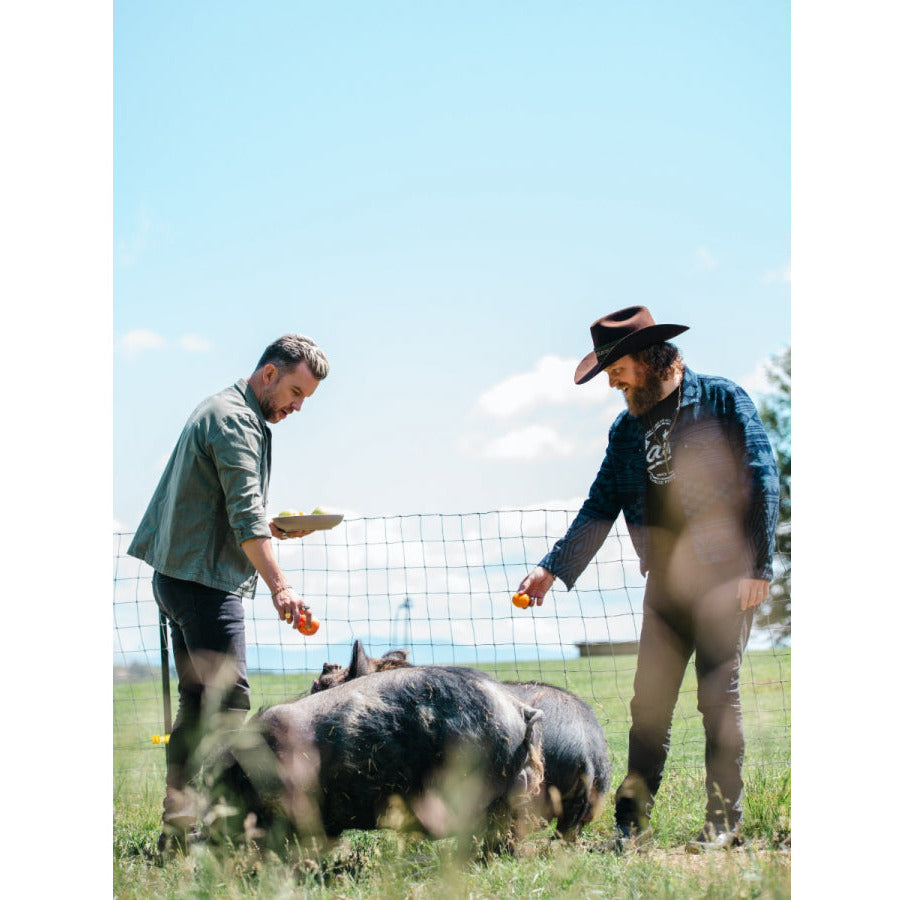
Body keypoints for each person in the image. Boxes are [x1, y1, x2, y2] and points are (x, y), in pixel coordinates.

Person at [517, 306, 778, 852]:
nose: (611, 380)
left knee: (717, 700)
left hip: (726, 577)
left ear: (651, 356)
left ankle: (723, 824)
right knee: (648, 707)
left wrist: (758, 565)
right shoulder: (626, 428)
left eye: (616, 367)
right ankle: (630, 825)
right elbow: (599, 506)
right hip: (667, 582)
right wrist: (552, 567)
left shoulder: (722, 401)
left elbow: (762, 476)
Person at [128, 333, 330, 851]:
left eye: (306, 399)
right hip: (203, 582)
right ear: (268, 374)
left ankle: (180, 827)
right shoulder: (237, 421)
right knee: (228, 707)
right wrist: (281, 587)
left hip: (181, 576)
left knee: (198, 707)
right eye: (295, 391)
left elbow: (234, 509)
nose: (298, 406)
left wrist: (276, 530)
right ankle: (214, 828)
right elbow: (243, 515)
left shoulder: (226, 410)